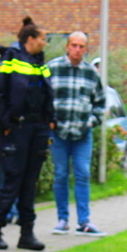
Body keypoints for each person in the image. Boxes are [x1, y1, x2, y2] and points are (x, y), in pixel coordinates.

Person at [0, 16, 56, 251]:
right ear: (31, 39)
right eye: (43, 39)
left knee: (29, 183)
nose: (45, 43)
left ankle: (27, 233)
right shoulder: (10, 58)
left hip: (37, 129)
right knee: (12, 181)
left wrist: (51, 120)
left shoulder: (39, 62)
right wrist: (6, 122)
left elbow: (46, 94)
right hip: (17, 129)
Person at [47, 31, 107, 236]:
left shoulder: (91, 72)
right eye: (74, 45)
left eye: (81, 46)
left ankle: (84, 222)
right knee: (61, 175)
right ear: (67, 46)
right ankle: (62, 220)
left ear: (86, 49)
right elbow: (42, 98)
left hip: (82, 134)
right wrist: (50, 121)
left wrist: (90, 122)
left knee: (82, 174)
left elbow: (100, 103)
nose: (77, 49)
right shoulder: (53, 68)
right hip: (59, 133)